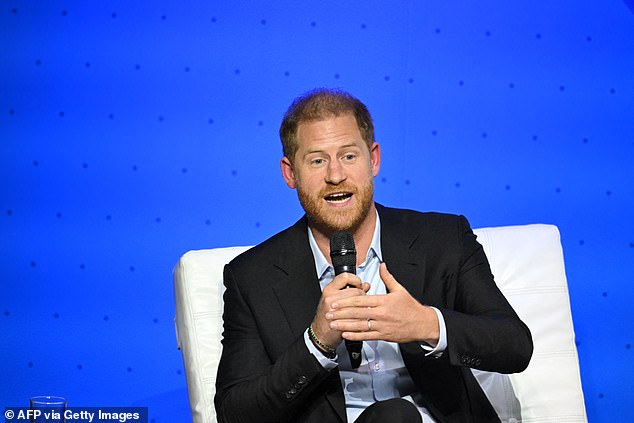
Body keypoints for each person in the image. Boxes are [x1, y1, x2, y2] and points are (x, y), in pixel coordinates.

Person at [215, 88, 533, 423]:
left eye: (349, 156)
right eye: (317, 160)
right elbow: (236, 413)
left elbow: (514, 345)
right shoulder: (253, 277)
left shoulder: (443, 239)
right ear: (290, 173)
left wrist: (425, 323)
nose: (335, 175)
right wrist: (316, 343)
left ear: (374, 159)